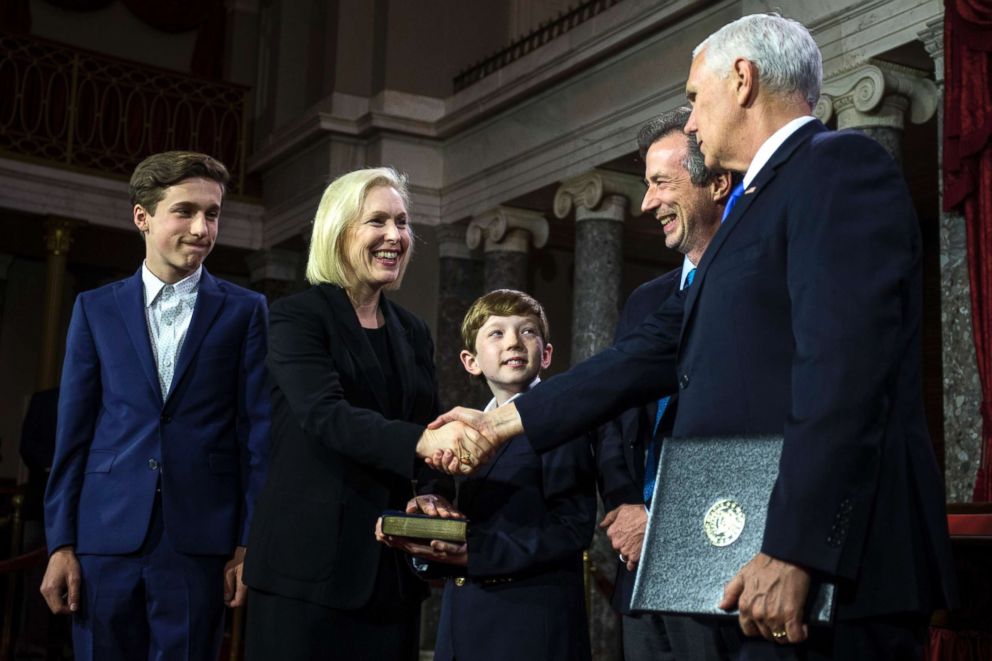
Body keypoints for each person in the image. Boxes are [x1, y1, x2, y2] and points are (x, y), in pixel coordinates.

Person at [430, 13, 958, 661]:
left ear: (742, 79)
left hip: (829, 573)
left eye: (692, 97)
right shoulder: (750, 212)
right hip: (751, 570)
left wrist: (795, 545)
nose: (689, 120)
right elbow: (641, 356)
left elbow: (843, 373)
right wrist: (499, 424)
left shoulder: (836, 166)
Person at [40, 151, 271, 660]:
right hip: (105, 535)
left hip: (201, 540)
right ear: (142, 217)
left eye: (212, 214)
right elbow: (72, 434)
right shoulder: (95, 308)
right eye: (185, 211)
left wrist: (247, 542)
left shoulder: (246, 311)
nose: (202, 227)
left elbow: (258, 435)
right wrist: (60, 543)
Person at [242, 167, 474, 660]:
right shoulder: (296, 317)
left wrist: (432, 495)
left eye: (403, 223)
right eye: (378, 222)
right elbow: (326, 415)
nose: (395, 236)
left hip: (389, 575)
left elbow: (426, 425)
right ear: (339, 231)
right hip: (305, 576)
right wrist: (420, 444)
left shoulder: (411, 330)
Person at [379, 289, 597, 661]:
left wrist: (475, 552)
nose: (513, 341)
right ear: (470, 361)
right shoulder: (460, 431)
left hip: (528, 627)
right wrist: (427, 538)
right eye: (496, 333)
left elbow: (571, 529)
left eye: (527, 331)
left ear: (546, 354)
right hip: (463, 624)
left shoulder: (560, 424)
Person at [598, 107, 732, 661]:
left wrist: (667, 518)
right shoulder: (647, 301)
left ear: (714, 183)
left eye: (660, 184)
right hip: (637, 561)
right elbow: (613, 414)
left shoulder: (754, 288)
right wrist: (629, 507)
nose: (647, 203)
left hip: (715, 560)